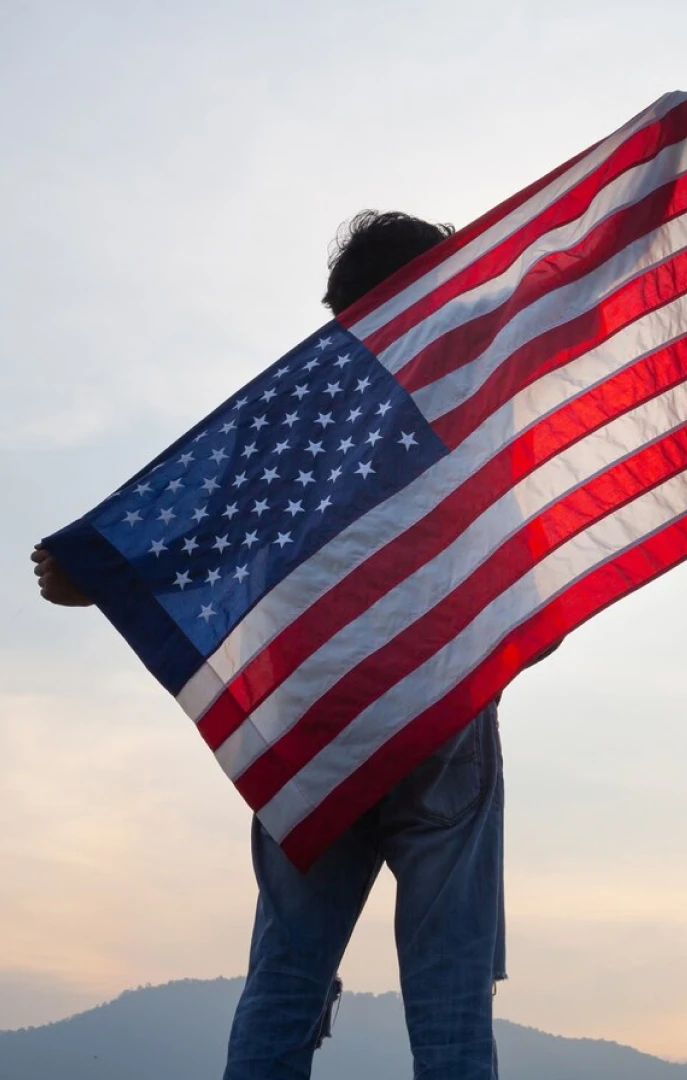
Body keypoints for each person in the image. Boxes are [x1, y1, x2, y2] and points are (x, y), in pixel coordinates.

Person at [32, 211, 513, 1080]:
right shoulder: (468, 392)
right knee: (449, 989)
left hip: (313, 719)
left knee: (289, 974)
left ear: (342, 305)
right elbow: (518, 559)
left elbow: (210, 531)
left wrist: (103, 574)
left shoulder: (292, 413)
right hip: (441, 712)